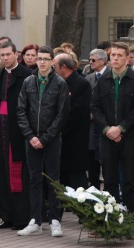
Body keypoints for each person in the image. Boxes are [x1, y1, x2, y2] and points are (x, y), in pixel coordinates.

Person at [16, 46, 69, 237]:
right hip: (31, 139)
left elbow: (62, 115)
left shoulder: (60, 83)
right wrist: (30, 136)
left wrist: (45, 138)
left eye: (46, 59)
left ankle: (55, 220)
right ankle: (35, 220)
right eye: (39, 59)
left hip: (51, 140)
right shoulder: (28, 82)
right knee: (34, 179)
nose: (42, 62)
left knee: (53, 179)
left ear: (53, 61)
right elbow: (21, 110)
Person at [91, 42, 134, 216]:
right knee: (109, 179)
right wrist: (108, 129)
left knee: (130, 179)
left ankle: (132, 217)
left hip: (129, 137)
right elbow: (95, 107)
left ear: (127, 58)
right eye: (112, 55)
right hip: (107, 137)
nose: (114, 58)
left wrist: (121, 128)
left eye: (119, 55)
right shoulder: (103, 80)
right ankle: (112, 215)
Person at [0, 40, 33, 230]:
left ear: (17, 55)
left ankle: (21, 217)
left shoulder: (27, 75)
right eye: (2, 55)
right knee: (1, 172)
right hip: (0, 127)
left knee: (17, 173)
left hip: (18, 129)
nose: (5, 58)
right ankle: (6, 216)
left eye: (8, 54)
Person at [54, 52, 91, 191]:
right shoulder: (56, 82)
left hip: (75, 138)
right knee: (60, 179)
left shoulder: (82, 84)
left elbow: (78, 112)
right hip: (58, 139)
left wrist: (58, 128)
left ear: (63, 67)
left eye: (55, 66)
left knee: (77, 181)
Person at [85, 48, 107, 189]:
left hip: (106, 125)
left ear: (102, 61)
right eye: (90, 60)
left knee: (107, 164)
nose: (90, 63)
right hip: (92, 128)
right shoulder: (88, 78)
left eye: (93, 60)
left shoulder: (111, 75)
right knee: (92, 163)